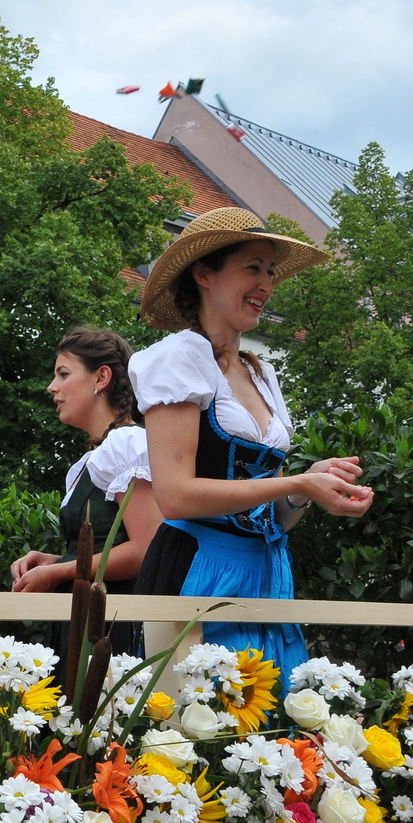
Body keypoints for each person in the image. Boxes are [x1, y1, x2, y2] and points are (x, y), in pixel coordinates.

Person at [127, 207, 373, 672]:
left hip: (266, 573)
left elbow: (275, 517)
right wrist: (296, 484)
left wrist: (307, 491)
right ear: (204, 273)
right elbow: (176, 496)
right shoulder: (178, 357)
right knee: (197, 723)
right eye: (253, 268)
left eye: (271, 272)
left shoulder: (262, 375)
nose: (267, 285)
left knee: (270, 726)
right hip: (198, 569)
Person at [9, 327, 159, 655]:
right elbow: (106, 545)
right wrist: (52, 561)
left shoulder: (129, 444)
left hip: (113, 629)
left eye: (63, 373)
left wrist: (59, 571)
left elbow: (146, 550)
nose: (52, 387)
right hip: (84, 619)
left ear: (101, 377)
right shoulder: (89, 462)